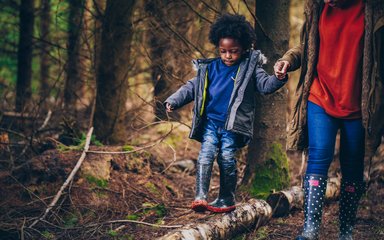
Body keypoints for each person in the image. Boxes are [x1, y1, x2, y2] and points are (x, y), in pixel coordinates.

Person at [274, 0, 384, 239]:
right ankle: (310, 229)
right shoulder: (318, 7)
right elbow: (309, 46)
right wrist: (289, 59)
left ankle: (346, 231)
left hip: (358, 103)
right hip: (320, 96)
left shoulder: (375, 10)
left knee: (352, 167)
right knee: (318, 156)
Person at [164, 13, 287, 213]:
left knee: (227, 157)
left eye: (233, 51)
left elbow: (265, 85)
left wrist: (279, 78)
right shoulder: (210, 68)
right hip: (211, 123)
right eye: (223, 51)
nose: (228, 56)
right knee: (205, 156)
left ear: (244, 48)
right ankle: (200, 197)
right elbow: (191, 87)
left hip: (233, 125)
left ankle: (226, 198)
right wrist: (173, 100)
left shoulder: (250, 69)